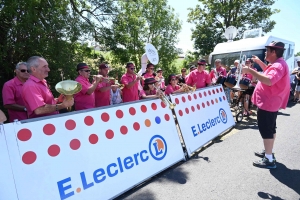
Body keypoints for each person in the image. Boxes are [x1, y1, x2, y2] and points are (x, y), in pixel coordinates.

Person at [242, 41, 290, 169]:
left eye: (267, 50)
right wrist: (258, 62)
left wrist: (251, 71)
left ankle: (269, 159)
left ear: (273, 52)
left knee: (266, 130)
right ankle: (269, 151)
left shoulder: (278, 66)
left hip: (268, 103)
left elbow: (269, 80)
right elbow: (268, 72)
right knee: (271, 128)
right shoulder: (277, 64)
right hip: (271, 103)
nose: (265, 52)